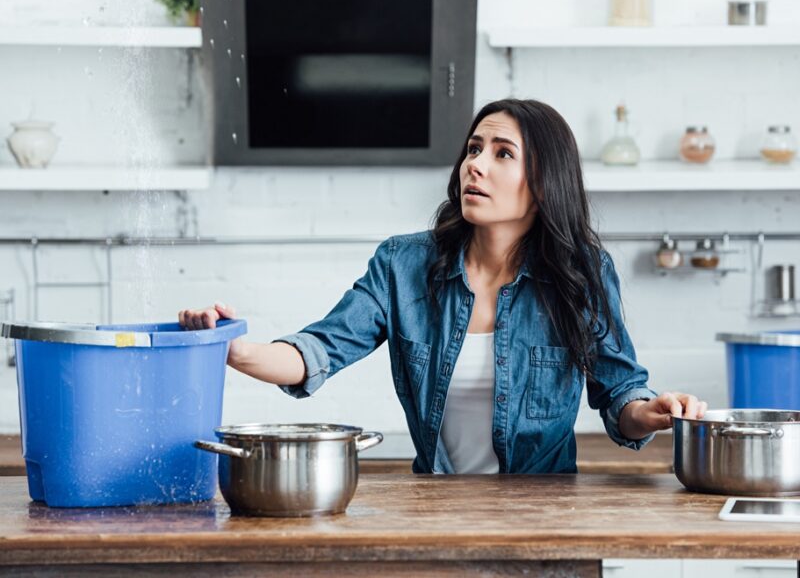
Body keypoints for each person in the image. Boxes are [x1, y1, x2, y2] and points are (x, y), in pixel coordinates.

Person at [179, 98, 707, 474]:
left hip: (546, 513)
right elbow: (318, 350)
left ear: (546, 183)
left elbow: (620, 395)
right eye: (474, 148)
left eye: (502, 153)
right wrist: (234, 350)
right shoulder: (403, 264)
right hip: (438, 503)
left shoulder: (583, 272)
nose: (474, 164)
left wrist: (653, 414)